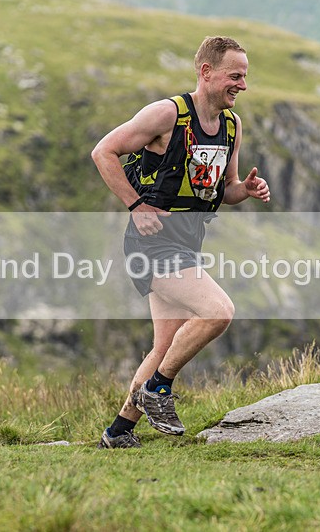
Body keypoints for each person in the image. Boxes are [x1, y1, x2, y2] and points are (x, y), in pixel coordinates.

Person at [91, 36, 270, 448]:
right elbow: (104, 151)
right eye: (235, 75)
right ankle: (157, 390)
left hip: (188, 243)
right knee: (219, 312)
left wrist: (247, 188)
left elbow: (223, 189)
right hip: (150, 245)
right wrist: (135, 204)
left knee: (164, 345)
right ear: (206, 72)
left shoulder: (231, 126)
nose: (242, 84)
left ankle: (117, 433)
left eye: (245, 76)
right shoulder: (166, 114)